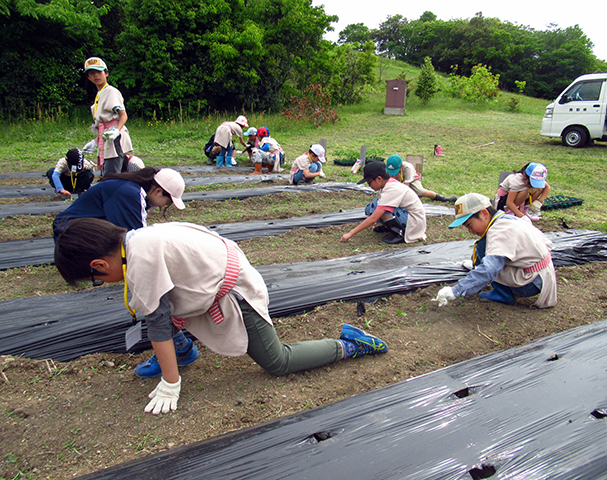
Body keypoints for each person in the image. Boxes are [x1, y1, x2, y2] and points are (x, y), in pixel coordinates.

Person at [54, 219, 389, 414]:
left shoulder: (140, 259)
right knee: (155, 303)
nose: (103, 284)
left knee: (278, 362)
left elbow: (156, 322)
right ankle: (183, 350)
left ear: (99, 265)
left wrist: (171, 384)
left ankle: (350, 345)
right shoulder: (138, 239)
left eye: (97, 280)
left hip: (236, 292)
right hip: (219, 278)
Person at [433, 193, 557, 309]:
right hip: (540, 275)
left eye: (469, 225)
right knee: (485, 249)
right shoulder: (506, 219)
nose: (470, 231)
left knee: (483, 248)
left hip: (531, 283)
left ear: (484, 214)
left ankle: (503, 294)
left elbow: (489, 270)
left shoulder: (500, 231)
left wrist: (456, 291)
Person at [52, 167, 185, 241]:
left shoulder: (130, 189)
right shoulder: (129, 193)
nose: (162, 206)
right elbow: (138, 238)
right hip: (70, 236)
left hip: (74, 233)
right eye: (168, 202)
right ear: (158, 191)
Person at [340, 161, 427, 245]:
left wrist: (350, 233)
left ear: (379, 179)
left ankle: (399, 233)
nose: (369, 186)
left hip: (414, 223)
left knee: (379, 208)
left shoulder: (392, 189)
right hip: (408, 217)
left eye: (369, 182)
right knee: (372, 206)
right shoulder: (388, 184)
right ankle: (390, 227)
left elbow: (373, 218)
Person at [81, 57, 134, 176]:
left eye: (99, 72)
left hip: (114, 137)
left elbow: (123, 115)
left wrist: (116, 130)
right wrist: (95, 141)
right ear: (89, 77)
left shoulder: (111, 91)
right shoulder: (100, 94)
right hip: (106, 136)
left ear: (106, 73)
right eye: (92, 73)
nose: (96, 76)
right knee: (110, 172)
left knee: (112, 174)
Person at [385, 154, 456, 203]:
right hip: (401, 181)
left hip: (412, 180)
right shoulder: (388, 169)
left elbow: (406, 187)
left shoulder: (407, 167)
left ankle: (443, 198)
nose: (392, 174)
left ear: (401, 166)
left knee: (421, 192)